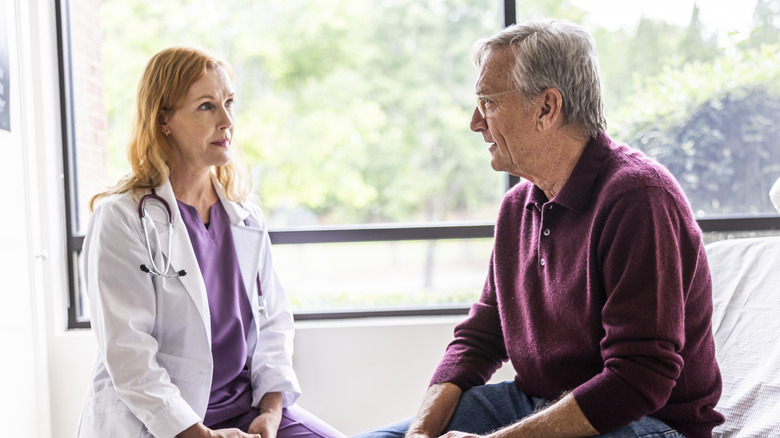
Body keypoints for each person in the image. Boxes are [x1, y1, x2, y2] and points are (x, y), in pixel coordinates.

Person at [355, 19, 724, 438]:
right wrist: (419, 434)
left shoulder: (639, 197)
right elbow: (479, 338)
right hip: (533, 402)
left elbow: (640, 378)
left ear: (547, 108)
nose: (476, 122)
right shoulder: (517, 206)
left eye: (489, 103)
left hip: (644, 422)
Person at [76, 46, 346, 438]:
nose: (227, 121)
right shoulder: (121, 218)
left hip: (247, 409)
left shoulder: (245, 215)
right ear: (163, 120)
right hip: (163, 420)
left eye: (229, 103)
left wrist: (271, 410)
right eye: (206, 106)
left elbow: (274, 322)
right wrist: (197, 434)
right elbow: (128, 352)